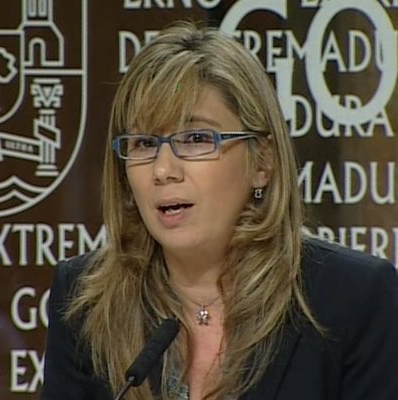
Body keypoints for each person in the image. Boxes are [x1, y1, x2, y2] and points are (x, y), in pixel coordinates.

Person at [40, 21, 398, 400]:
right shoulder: (84, 300)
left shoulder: (355, 298)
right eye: (144, 143)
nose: (163, 170)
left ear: (262, 162)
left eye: (196, 138)